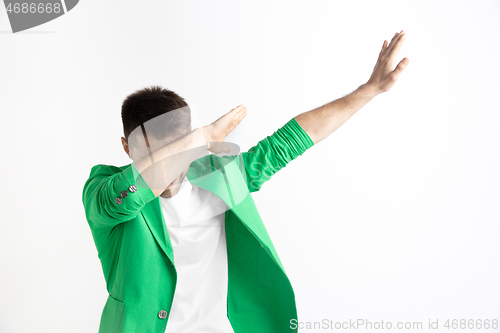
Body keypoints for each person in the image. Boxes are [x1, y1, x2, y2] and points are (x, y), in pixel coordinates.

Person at [82, 30, 408, 333]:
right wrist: (199, 139)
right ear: (127, 147)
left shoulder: (220, 179)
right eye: (157, 153)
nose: (171, 165)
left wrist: (370, 89)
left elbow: (292, 140)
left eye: (179, 150)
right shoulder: (104, 189)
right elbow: (120, 199)